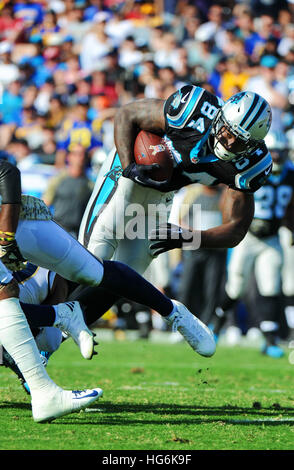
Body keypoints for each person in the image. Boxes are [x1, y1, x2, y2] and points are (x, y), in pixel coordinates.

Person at [0, 159, 215, 422]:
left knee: (93, 271)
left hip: (21, 228)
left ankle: (173, 312)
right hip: (33, 308)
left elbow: (7, 171)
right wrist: (55, 316)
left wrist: (6, 235)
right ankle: (58, 331)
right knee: (44, 335)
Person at [79, 86, 272, 284]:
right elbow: (126, 114)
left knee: (126, 279)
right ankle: (53, 310)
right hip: (129, 174)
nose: (229, 143)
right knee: (90, 258)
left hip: (161, 196)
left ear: (251, 146)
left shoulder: (250, 167)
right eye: (227, 133)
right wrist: (129, 168)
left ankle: (79, 315)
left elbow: (236, 230)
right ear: (220, 119)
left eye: (239, 142)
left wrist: (187, 238)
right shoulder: (195, 109)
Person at [211, 130, 294, 357]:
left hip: (272, 237)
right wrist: (232, 223)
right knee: (236, 284)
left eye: (280, 152)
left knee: (271, 286)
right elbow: (232, 194)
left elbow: (291, 207)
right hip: (248, 235)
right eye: (273, 151)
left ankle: (270, 341)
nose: (276, 156)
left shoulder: (290, 174)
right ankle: (215, 328)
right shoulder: (256, 167)